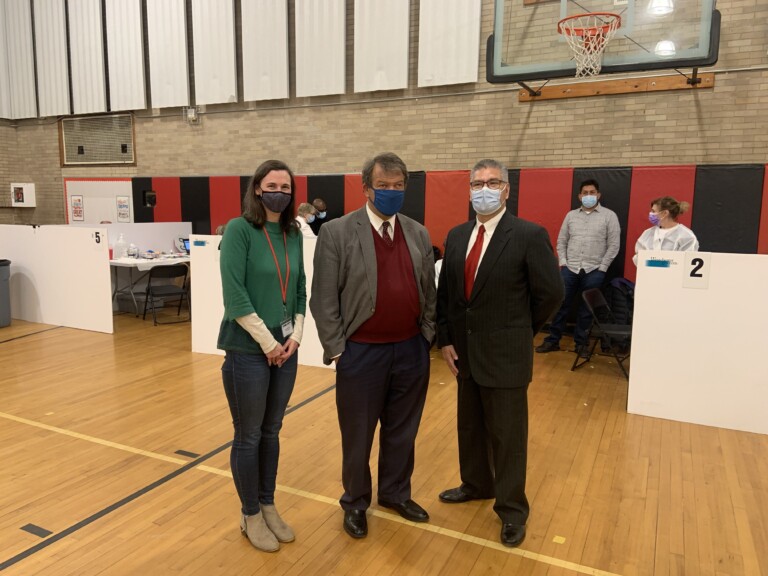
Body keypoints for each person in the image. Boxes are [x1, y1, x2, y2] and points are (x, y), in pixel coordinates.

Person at [436, 159, 563, 548]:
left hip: (506, 355)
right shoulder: (458, 236)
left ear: (507, 190)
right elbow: (448, 296)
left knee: (508, 437)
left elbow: (551, 294)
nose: (484, 189)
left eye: (492, 182)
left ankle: (511, 510)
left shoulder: (528, 234)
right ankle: (475, 484)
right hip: (465, 353)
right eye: (477, 183)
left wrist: (521, 331)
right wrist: (445, 338)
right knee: (470, 426)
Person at [310, 152, 436, 540]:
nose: (392, 192)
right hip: (361, 351)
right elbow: (323, 298)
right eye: (384, 186)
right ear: (366, 188)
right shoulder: (337, 232)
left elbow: (429, 292)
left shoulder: (418, 232)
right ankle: (355, 501)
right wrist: (336, 347)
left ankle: (396, 493)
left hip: (411, 350)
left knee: (403, 430)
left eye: (399, 186)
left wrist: (427, 334)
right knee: (358, 433)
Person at [218, 159, 306, 553]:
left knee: (272, 432)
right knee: (249, 435)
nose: (280, 192)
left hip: (286, 348)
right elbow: (235, 296)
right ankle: (249, 513)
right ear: (257, 189)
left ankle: (268, 505)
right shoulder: (240, 230)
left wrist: (295, 338)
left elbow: (300, 287)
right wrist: (268, 344)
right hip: (247, 349)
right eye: (272, 185)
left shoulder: (294, 232)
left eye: (286, 187)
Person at [535, 179, 620, 358]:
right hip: (570, 268)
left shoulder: (609, 216)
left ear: (598, 195)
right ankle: (553, 340)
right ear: (579, 196)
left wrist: (603, 268)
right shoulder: (571, 216)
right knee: (561, 304)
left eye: (592, 192)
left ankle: (581, 344)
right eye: (585, 193)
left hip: (594, 269)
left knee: (586, 309)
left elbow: (613, 245)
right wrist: (563, 262)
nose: (589, 196)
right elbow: (562, 241)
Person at [633, 196, 698, 265]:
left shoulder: (686, 236)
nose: (650, 214)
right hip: (649, 274)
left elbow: (687, 262)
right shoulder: (648, 233)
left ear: (665, 213)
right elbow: (639, 258)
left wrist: (656, 263)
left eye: (653, 211)